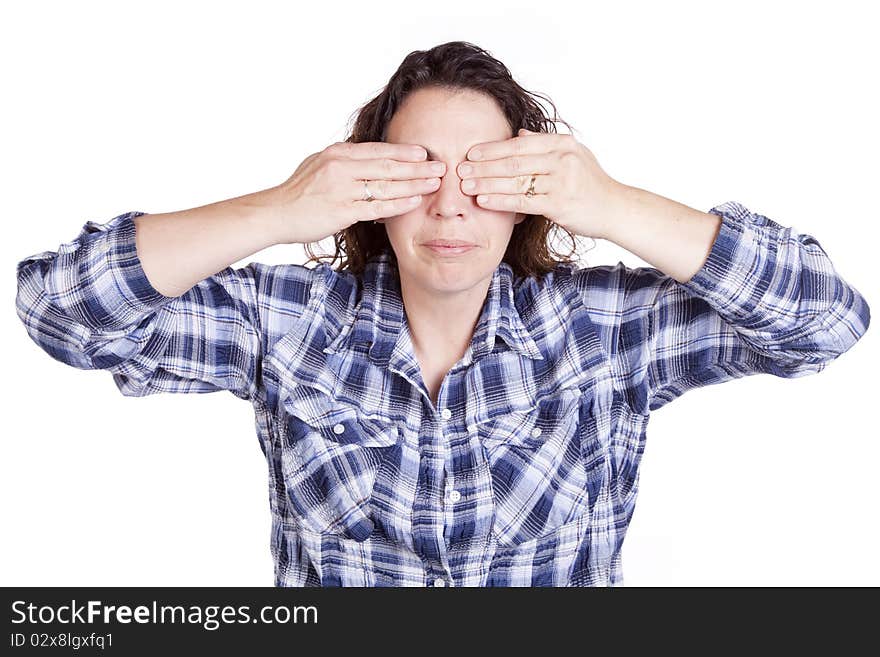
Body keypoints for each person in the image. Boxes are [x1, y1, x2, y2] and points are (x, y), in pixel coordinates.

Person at [14, 41, 871, 587]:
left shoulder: (603, 335)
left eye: (486, 174)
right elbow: (62, 313)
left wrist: (614, 204)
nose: (452, 207)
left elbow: (824, 321)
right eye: (419, 173)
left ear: (529, 194)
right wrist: (278, 209)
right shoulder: (290, 327)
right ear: (371, 190)